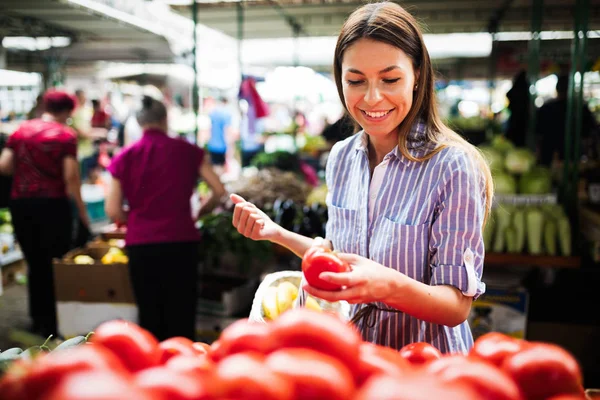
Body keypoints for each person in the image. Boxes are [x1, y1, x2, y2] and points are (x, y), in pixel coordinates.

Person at [230, 1, 493, 353]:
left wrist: (384, 285)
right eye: (356, 80)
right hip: (354, 356)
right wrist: (277, 234)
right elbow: (342, 260)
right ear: (340, 80)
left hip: (424, 361)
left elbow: (456, 306)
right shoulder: (342, 157)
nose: (372, 97)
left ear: (416, 76)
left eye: (390, 79)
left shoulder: (452, 165)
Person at [105, 96, 226, 341]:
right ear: (165, 119)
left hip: (141, 244)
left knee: (150, 313)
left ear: (139, 123)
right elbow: (219, 190)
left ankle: (153, 367)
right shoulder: (187, 150)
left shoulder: (126, 156)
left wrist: (137, 218)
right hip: (182, 240)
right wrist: (200, 212)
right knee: (181, 312)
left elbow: (113, 210)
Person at [0, 90, 90, 338]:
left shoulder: (20, 131)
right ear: (69, 111)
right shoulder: (65, 136)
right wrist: (82, 214)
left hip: (22, 205)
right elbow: (71, 176)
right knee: (54, 262)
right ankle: (53, 322)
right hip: (53, 206)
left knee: (34, 262)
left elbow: (5, 166)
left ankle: (36, 319)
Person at [536, 74, 598, 167]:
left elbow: (538, 132)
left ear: (557, 89)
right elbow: (590, 132)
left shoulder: (547, 108)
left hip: (554, 155)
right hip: (571, 156)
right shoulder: (581, 108)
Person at [207, 97, 233, 173]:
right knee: (221, 170)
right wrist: (229, 148)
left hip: (212, 145)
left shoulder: (213, 113)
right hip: (221, 146)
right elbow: (227, 132)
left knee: (215, 169)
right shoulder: (226, 114)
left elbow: (209, 129)